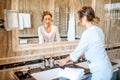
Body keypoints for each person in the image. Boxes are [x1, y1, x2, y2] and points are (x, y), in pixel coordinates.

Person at [59, 6, 113, 80]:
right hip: (107, 68)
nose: (79, 20)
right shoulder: (99, 30)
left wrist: (65, 60)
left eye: (80, 18)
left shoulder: (87, 33)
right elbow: (95, 49)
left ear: (84, 17)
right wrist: (84, 55)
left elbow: (75, 54)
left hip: (100, 72)